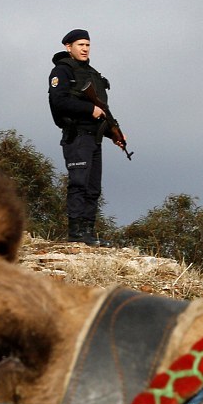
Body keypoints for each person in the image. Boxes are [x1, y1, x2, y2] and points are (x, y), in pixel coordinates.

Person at [48, 29, 124, 247]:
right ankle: (76, 232)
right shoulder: (61, 72)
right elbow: (59, 101)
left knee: (93, 188)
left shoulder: (93, 74)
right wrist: (87, 108)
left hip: (95, 137)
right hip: (77, 135)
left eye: (87, 45)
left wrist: (114, 133)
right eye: (80, 45)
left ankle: (88, 232)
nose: (85, 49)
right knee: (79, 184)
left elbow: (103, 110)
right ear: (68, 47)